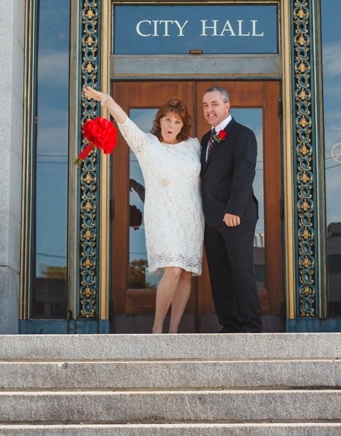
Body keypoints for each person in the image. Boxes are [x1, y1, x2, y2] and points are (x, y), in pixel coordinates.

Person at [83, 85, 204, 334]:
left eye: (177, 122)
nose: (171, 125)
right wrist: (107, 100)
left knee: (185, 274)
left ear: (183, 126)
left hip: (191, 216)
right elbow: (125, 122)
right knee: (172, 269)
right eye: (167, 119)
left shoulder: (193, 146)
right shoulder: (146, 145)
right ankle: (157, 328)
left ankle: (173, 331)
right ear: (159, 121)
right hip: (163, 216)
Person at [200, 86, 263, 333]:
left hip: (237, 215)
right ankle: (230, 324)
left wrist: (234, 210)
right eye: (205, 105)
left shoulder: (243, 135)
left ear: (227, 106)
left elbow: (244, 174)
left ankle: (251, 325)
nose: (209, 110)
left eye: (214, 104)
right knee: (219, 274)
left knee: (241, 270)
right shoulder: (206, 139)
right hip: (212, 219)